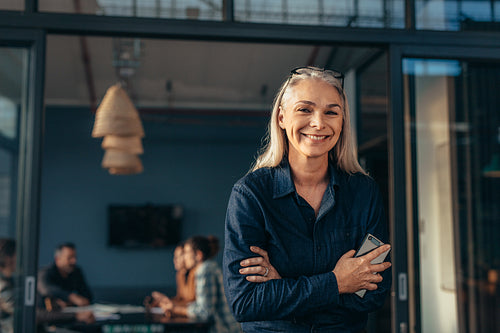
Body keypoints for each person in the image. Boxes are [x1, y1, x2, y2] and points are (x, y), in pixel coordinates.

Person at [223, 66, 392, 332]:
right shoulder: (251, 195)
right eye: (305, 109)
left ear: (342, 121)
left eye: (331, 112)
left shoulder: (363, 192)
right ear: (281, 117)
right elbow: (246, 302)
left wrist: (283, 292)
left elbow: (373, 295)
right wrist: (337, 282)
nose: (318, 123)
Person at [0, 238, 94, 333]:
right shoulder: (3, 286)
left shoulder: (11, 280)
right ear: (8, 258)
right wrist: (75, 315)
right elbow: (31, 314)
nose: (22, 258)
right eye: (19, 254)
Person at [152, 235, 241, 333]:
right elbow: (201, 305)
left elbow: (205, 312)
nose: (184, 257)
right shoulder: (209, 267)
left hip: (223, 329)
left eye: (186, 252)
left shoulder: (205, 270)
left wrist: (175, 309)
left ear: (198, 255)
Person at [38, 242, 93, 308]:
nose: (74, 261)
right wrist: (71, 297)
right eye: (69, 258)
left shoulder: (76, 272)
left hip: (69, 313)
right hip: (47, 314)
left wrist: (72, 302)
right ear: (57, 259)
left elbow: (87, 295)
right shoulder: (45, 272)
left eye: (75, 257)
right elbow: (46, 289)